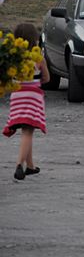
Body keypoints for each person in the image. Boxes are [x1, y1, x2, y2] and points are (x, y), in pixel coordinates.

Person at [3, 23, 49, 181]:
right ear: (34, 39)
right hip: (33, 96)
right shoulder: (38, 57)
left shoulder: (14, 57)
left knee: (26, 129)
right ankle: (19, 164)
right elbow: (47, 78)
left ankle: (30, 166)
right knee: (28, 131)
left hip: (17, 96)